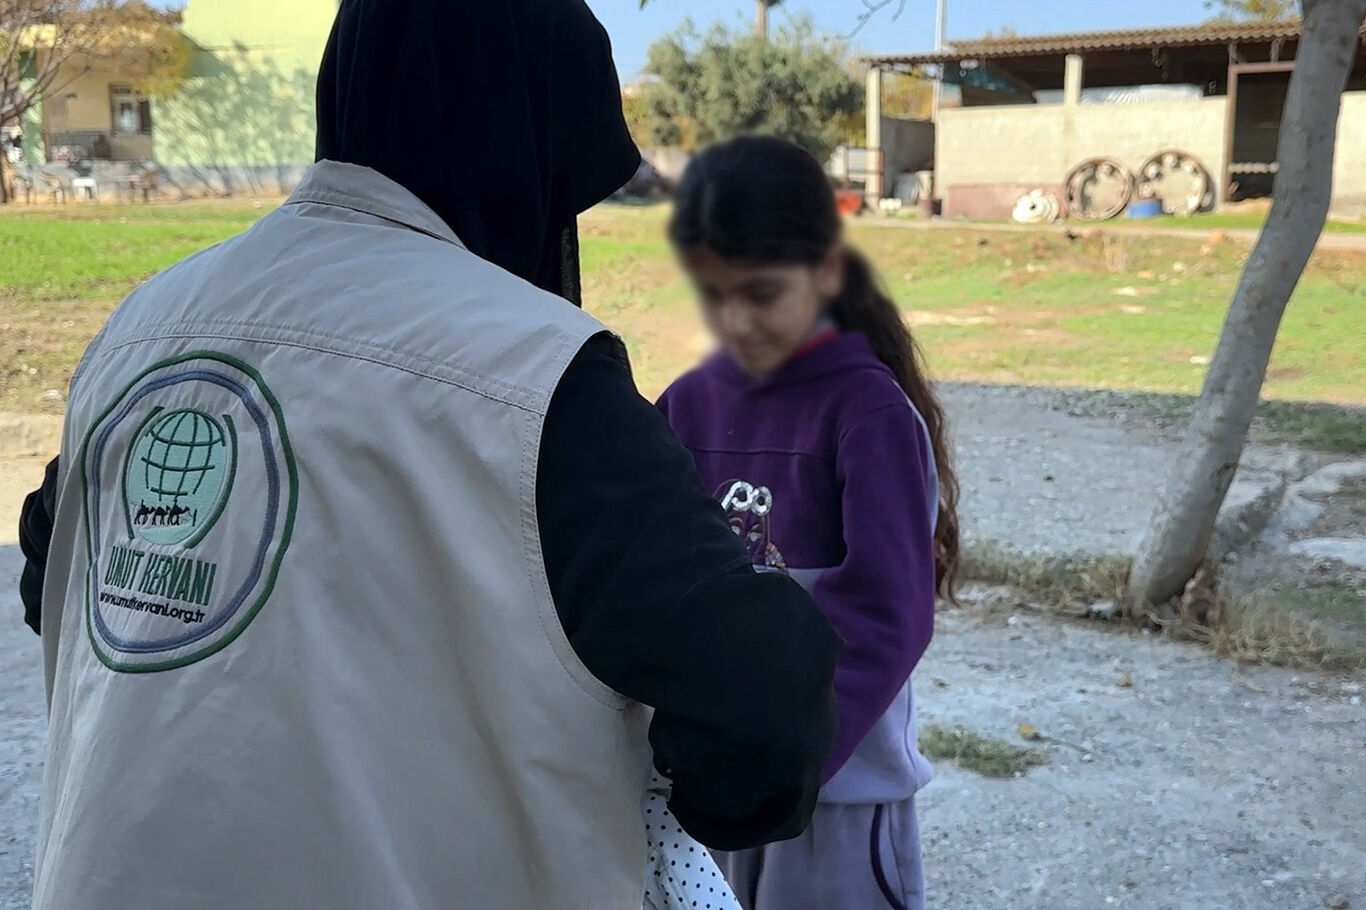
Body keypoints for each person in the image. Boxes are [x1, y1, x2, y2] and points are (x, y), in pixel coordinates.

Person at [15, 3, 841, 908]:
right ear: (524, 148)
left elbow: (48, 568)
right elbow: (762, 710)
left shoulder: (141, 330)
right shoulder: (541, 381)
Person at [657, 135, 962, 910]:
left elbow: (888, 616)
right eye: (715, 292)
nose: (737, 319)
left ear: (824, 271)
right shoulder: (683, 405)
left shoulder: (870, 413)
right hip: (712, 797)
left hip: (836, 799)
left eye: (762, 293)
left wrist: (789, 762)